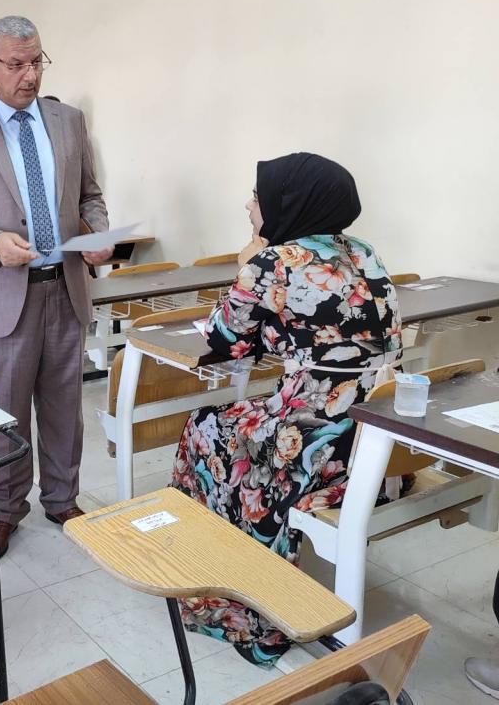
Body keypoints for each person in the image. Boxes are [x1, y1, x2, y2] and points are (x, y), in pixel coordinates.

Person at [170, 152, 402, 665]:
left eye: (257, 196)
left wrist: (244, 263)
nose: (248, 205)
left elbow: (224, 340)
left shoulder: (272, 262)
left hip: (313, 441)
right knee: (238, 419)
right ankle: (237, 562)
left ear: (287, 202)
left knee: (204, 426)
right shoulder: (363, 252)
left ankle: (225, 587)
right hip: (376, 433)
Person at [0, 16, 111, 558]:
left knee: (63, 406)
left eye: (36, 62)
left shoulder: (68, 121)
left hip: (65, 287)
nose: (29, 75)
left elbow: (89, 195)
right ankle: (6, 510)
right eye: (16, 64)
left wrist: (98, 231)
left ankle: (62, 498)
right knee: (5, 412)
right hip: (1, 292)